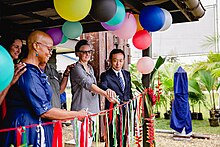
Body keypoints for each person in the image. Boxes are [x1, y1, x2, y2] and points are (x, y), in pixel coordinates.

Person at [0, 30, 87, 147]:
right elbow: (45, 110)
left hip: (37, 127)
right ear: (36, 46)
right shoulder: (27, 72)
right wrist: (76, 114)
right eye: (49, 49)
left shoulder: (36, 72)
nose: (50, 53)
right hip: (26, 131)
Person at [70, 39, 119, 147]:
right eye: (84, 52)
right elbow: (88, 85)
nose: (87, 54)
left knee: (89, 141)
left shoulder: (90, 68)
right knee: (81, 143)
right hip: (80, 110)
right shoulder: (76, 68)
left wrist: (108, 92)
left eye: (89, 51)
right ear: (77, 53)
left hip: (93, 110)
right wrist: (105, 94)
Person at [99, 49, 133, 147]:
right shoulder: (105, 75)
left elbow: (128, 92)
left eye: (120, 60)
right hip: (112, 111)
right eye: (115, 60)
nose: (118, 64)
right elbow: (103, 86)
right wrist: (107, 90)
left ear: (124, 61)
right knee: (112, 138)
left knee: (124, 136)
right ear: (110, 60)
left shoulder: (127, 74)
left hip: (126, 111)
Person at [0, 33, 26, 121]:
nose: (19, 51)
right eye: (16, 47)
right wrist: (10, 82)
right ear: (8, 46)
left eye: (20, 48)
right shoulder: (2, 67)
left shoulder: (16, 67)